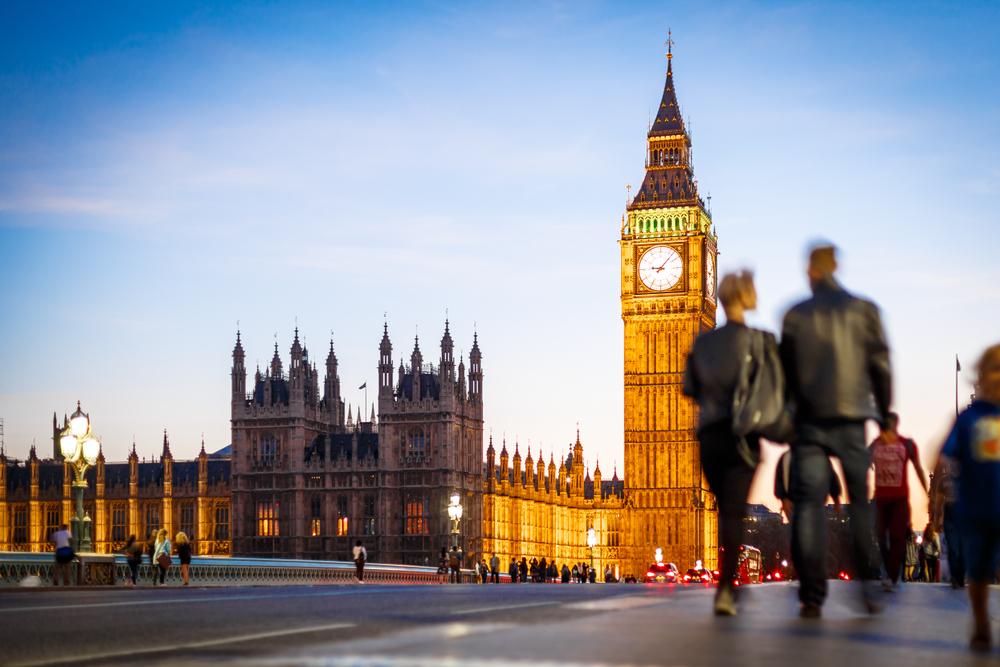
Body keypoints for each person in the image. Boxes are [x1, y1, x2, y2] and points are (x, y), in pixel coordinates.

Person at [780, 245, 891, 618]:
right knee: (859, 504)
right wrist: (884, 412)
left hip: (809, 422)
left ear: (810, 271)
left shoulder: (795, 315)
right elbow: (880, 366)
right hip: (851, 417)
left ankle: (812, 595)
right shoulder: (864, 310)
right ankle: (867, 586)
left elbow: (787, 376)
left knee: (809, 505)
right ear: (836, 267)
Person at [683, 270, 770, 616]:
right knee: (734, 510)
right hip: (742, 437)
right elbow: (771, 393)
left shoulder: (703, 342)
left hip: (709, 437)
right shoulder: (759, 341)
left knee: (722, 507)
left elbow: (689, 388)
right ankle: (725, 590)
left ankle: (724, 588)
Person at [936, 343, 1000, 651]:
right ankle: (981, 622)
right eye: (995, 370)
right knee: (978, 572)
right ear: (981, 378)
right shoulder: (968, 418)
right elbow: (947, 453)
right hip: (976, 510)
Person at [870, 413, 928, 592]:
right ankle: (889, 572)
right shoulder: (875, 445)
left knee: (897, 538)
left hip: (899, 500)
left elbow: (918, 468)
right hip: (880, 499)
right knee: (880, 538)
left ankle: (893, 577)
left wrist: (927, 493)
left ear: (895, 425)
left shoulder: (906, 444)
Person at [933, 456, 965, 588]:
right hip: (949, 518)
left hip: (964, 519)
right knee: (952, 548)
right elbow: (939, 501)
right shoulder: (943, 480)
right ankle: (954, 577)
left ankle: (960, 577)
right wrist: (936, 520)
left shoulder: (967, 478)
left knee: (963, 550)